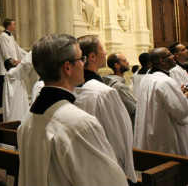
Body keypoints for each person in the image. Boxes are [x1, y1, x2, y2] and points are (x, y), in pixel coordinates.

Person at [18, 34, 128, 186]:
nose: (84, 64)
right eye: (81, 59)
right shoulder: (80, 124)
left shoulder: (27, 121)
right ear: (68, 67)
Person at [75, 35, 136, 182]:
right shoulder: (104, 93)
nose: (105, 52)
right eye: (102, 48)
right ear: (92, 57)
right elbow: (120, 138)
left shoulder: (73, 88)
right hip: (108, 169)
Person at [134, 47, 188, 156]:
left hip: (152, 133)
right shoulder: (165, 81)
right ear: (161, 61)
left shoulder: (146, 79)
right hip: (167, 139)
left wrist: (177, 94)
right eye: (170, 54)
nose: (173, 56)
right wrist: (185, 97)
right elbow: (182, 111)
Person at [3, 51, 38, 122]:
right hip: (15, 107)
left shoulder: (13, 73)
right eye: (14, 61)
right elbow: (25, 65)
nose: (17, 61)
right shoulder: (11, 73)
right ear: (10, 65)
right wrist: (34, 51)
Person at [103, 53, 137, 125]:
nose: (128, 62)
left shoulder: (110, 82)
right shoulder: (119, 86)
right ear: (117, 65)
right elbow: (134, 108)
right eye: (124, 61)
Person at [169, 42, 188, 113]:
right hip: (184, 107)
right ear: (176, 55)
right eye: (183, 50)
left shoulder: (181, 67)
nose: (187, 50)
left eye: (186, 48)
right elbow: (180, 90)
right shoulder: (174, 70)